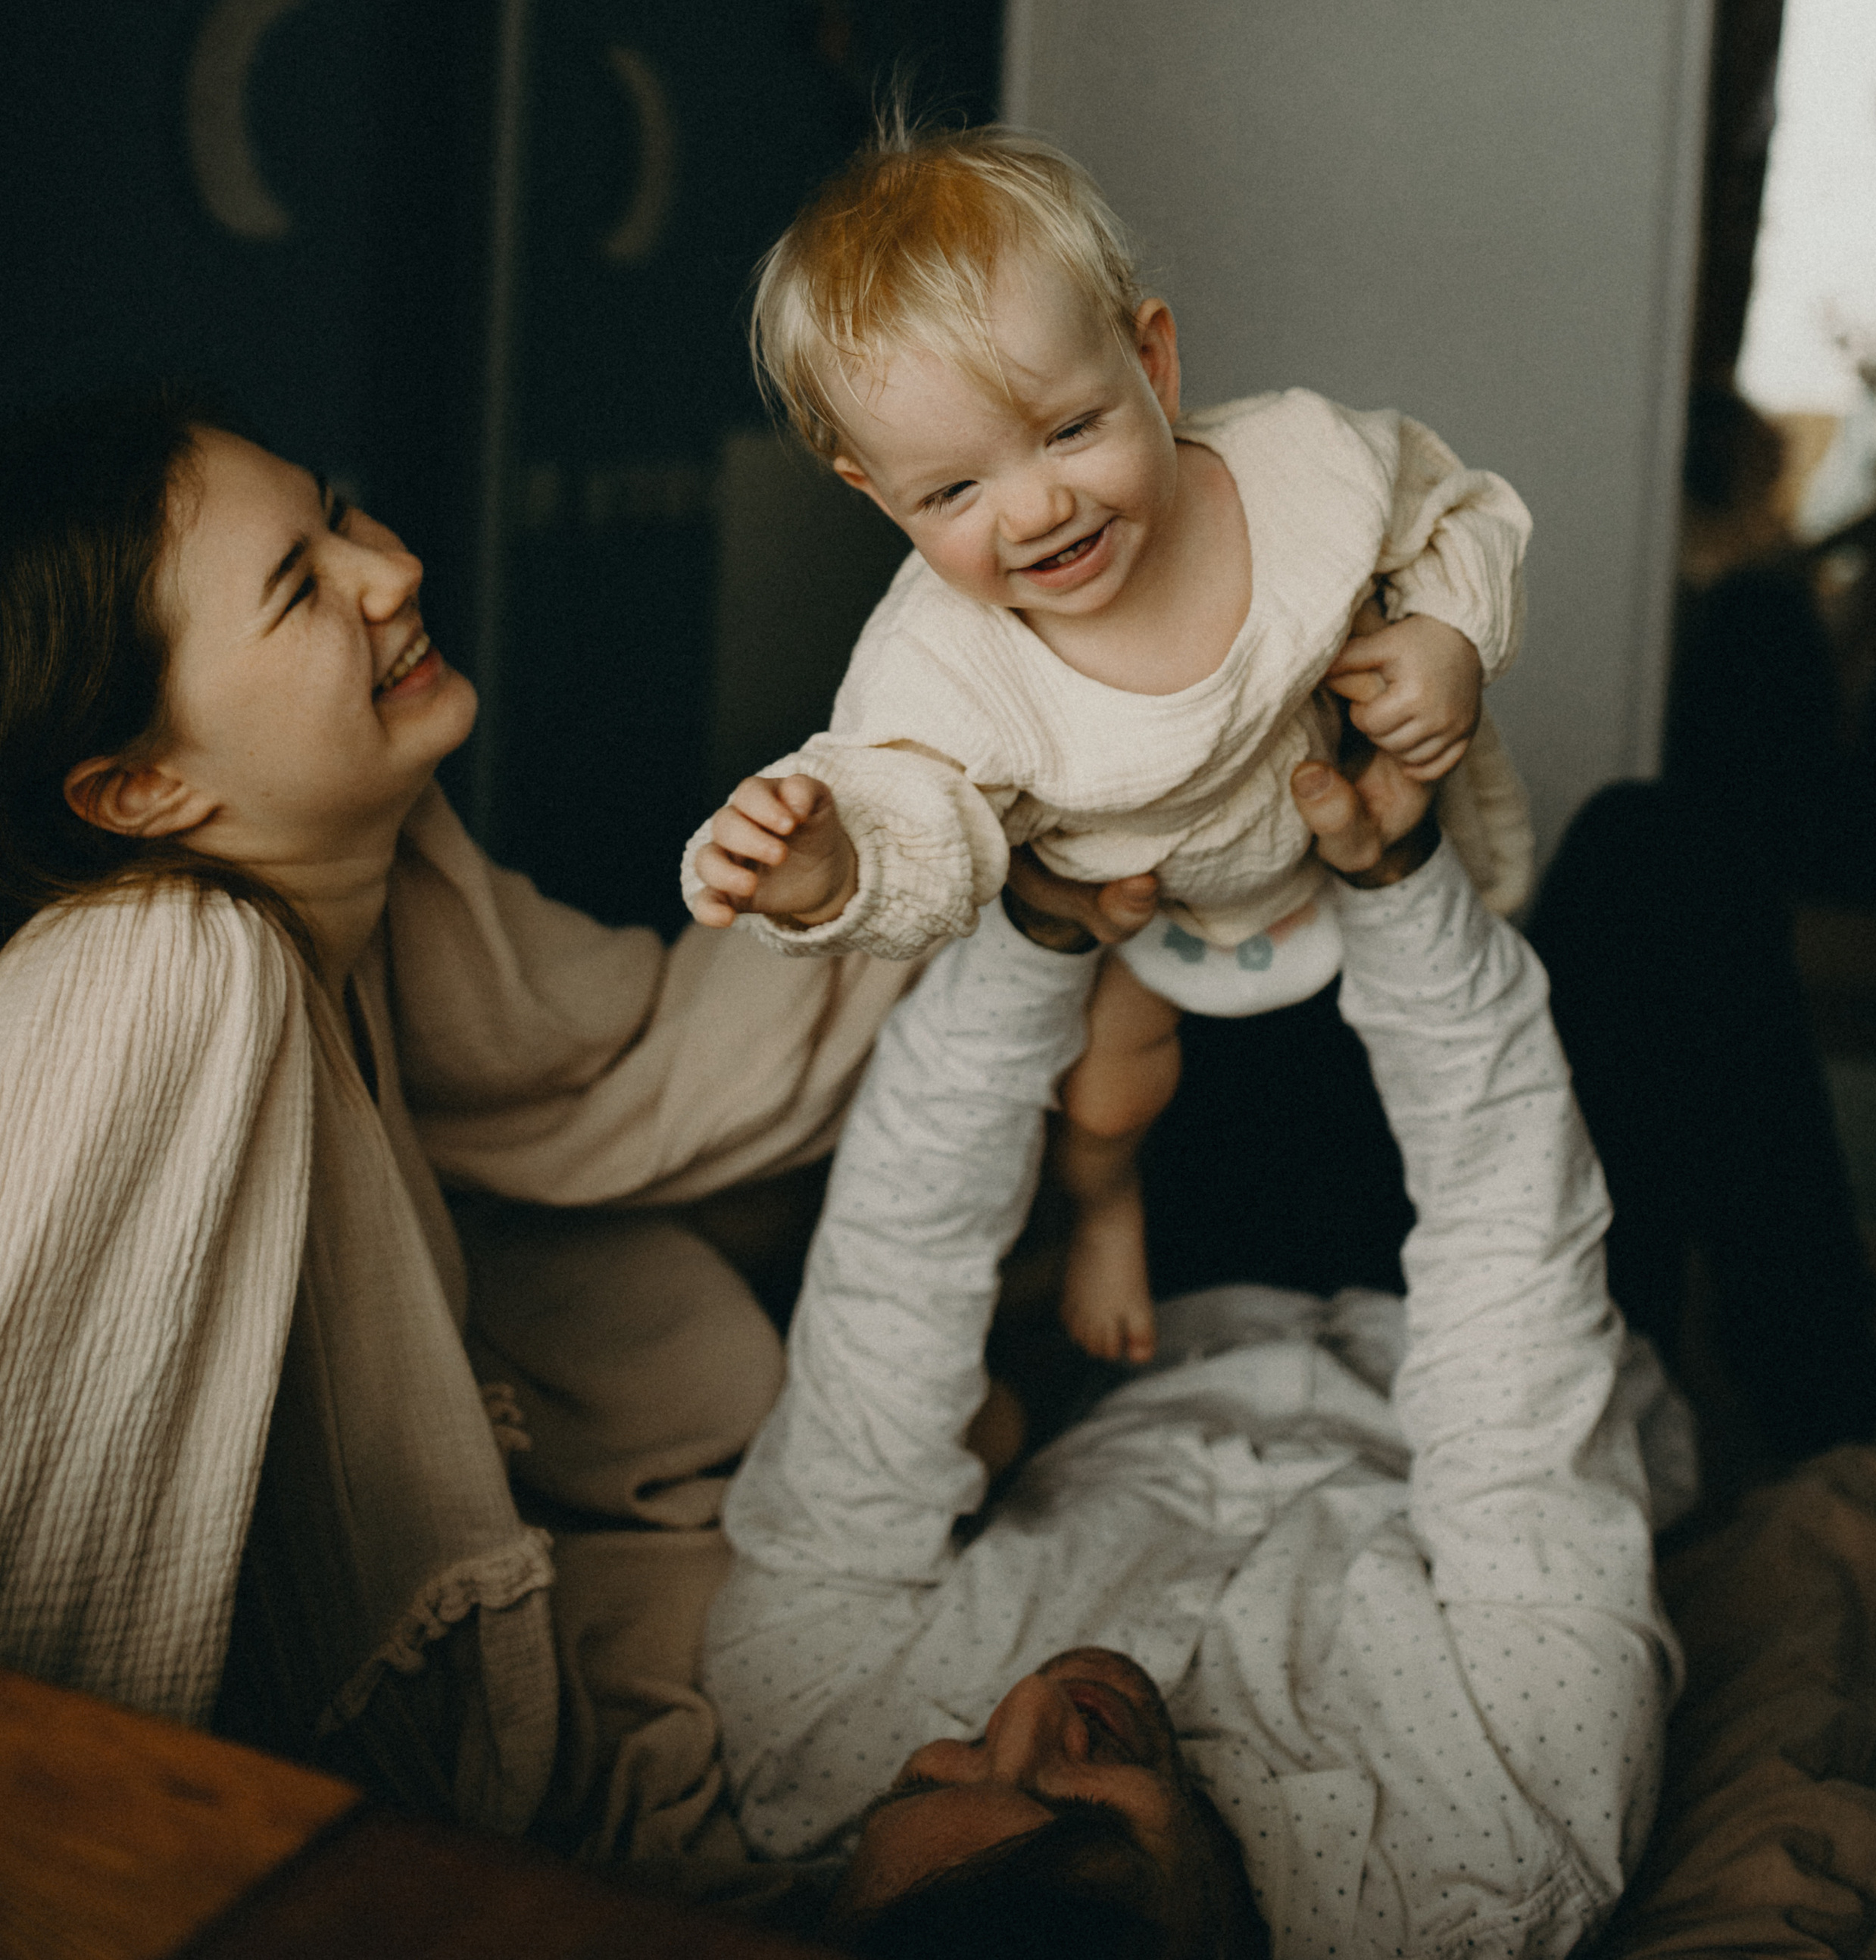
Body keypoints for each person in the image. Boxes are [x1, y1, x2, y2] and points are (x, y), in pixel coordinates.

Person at [0, 385, 937, 1866]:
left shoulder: (372, 884)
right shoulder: (161, 967)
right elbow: (52, 1585)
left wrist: (942, 846)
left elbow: (641, 1073)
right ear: (142, 787)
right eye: (300, 586)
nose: (392, 569)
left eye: (338, 513)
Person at [702, 745, 1692, 1957]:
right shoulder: (1498, 1852)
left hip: (1182, 1294)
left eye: (935, 1770)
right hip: (1464, 1368)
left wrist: (1035, 942)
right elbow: (1514, 1302)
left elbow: (886, 1302)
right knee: (1654, 855)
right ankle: (1827, 1388)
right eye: (1085, 1812)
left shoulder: (808, 1749)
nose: (1030, 1709)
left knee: (1197, 801)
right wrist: (1401, 894)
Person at [683, 120, 1532, 1362]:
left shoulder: (1304, 468)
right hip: (1147, 920)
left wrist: (1448, 633)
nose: (1036, 508)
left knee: (1448, 1077)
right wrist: (833, 865)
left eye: (1070, 429)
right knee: (1108, 1093)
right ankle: (1106, 1210)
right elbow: (914, 809)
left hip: (1349, 850)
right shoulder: (940, 657)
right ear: (875, 490)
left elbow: (1458, 511)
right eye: (953, 491)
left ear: (1152, 361)